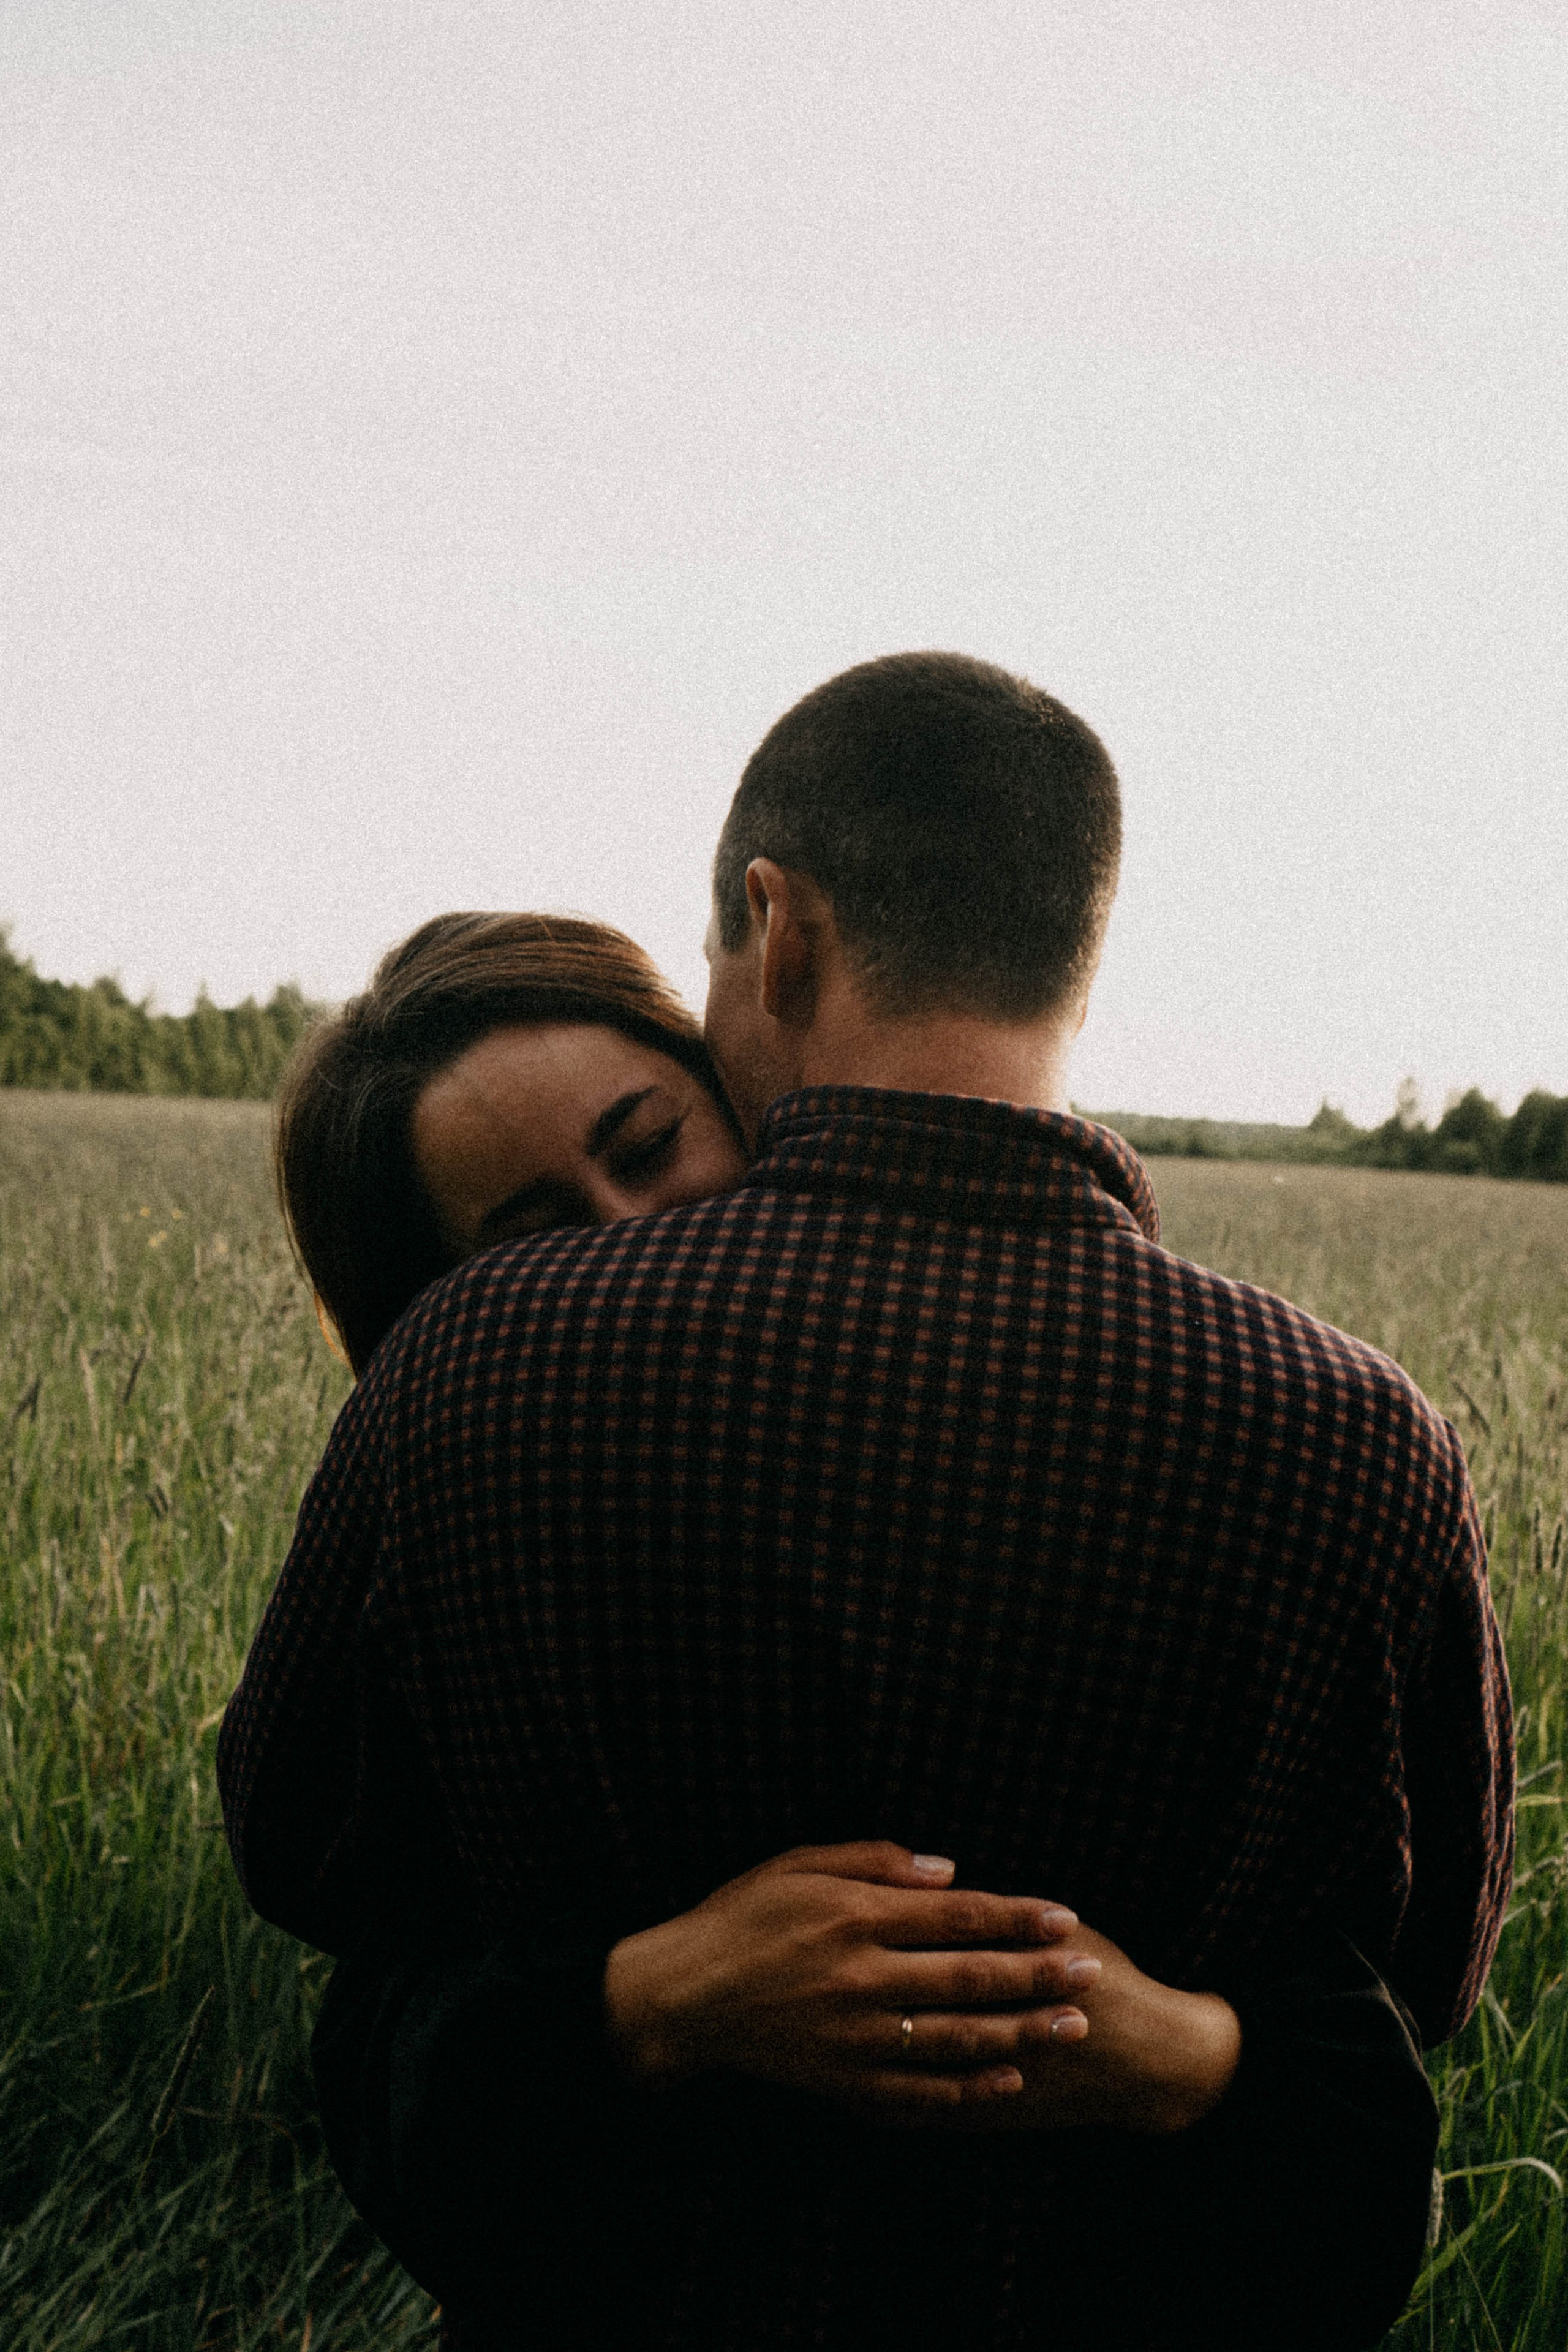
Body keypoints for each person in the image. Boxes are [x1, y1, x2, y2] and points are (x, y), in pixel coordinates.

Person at [221, 654, 1512, 2348]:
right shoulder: (1363, 1437)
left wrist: (1166, 2048)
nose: (632, 1243)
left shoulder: (466, 1377)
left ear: (780, 929)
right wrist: (662, 2001)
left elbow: (317, 1865)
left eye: (648, 1137)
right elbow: (1413, 1995)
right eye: (537, 1229)